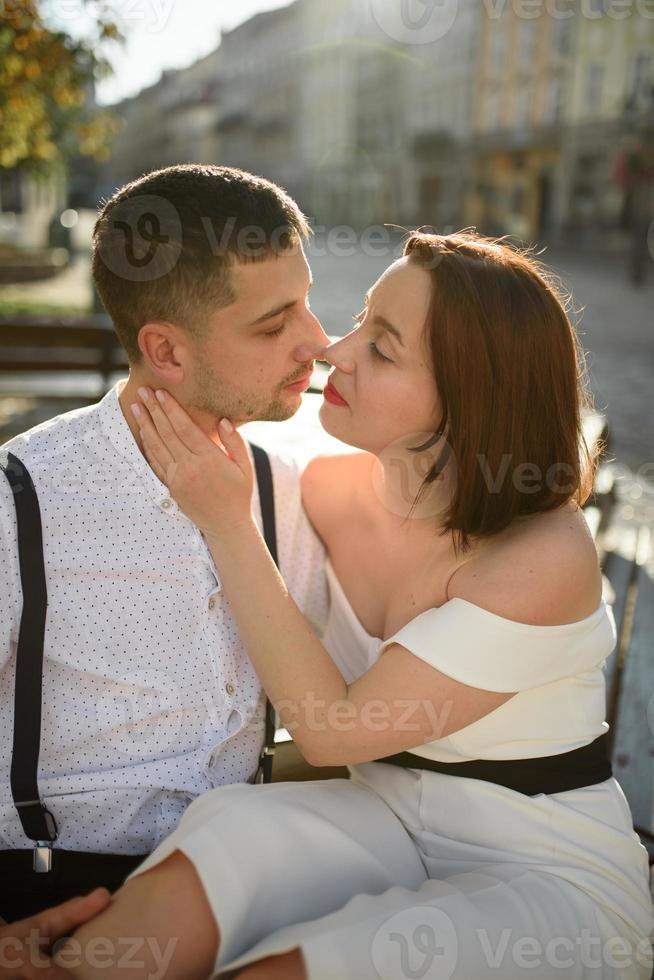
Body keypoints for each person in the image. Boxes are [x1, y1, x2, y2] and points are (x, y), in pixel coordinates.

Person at [10, 232, 654, 978]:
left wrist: (228, 521)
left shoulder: (544, 554)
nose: (334, 352)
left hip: (542, 862)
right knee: (225, 843)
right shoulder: (320, 479)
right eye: (360, 320)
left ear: (470, 395)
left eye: (382, 348)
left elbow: (333, 733)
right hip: (376, 815)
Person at [0, 164, 331, 922]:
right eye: (274, 323)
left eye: (307, 304)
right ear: (168, 351)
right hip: (59, 893)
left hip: (240, 888)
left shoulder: (282, 484)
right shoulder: (20, 495)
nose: (318, 339)